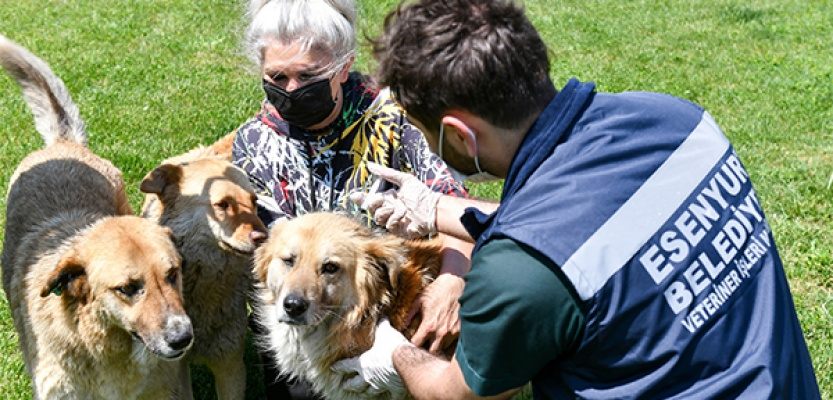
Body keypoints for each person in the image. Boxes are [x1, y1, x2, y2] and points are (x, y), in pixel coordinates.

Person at [339, 0, 821, 398]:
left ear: (459, 135)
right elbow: (592, 227)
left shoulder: (519, 270)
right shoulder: (679, 122)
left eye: (425, 134)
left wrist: (391, 353)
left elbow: (458, 391)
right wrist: (436, 209)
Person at [233, 0, 472, 398]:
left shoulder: (398, 119)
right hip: (302, 308)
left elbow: (458, 209)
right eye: (277, 76)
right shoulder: (254, 142)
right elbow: (262, 253)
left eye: (307, 75)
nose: (291, 90)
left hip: (394, 303)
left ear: (343, 67)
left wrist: (450, 285)